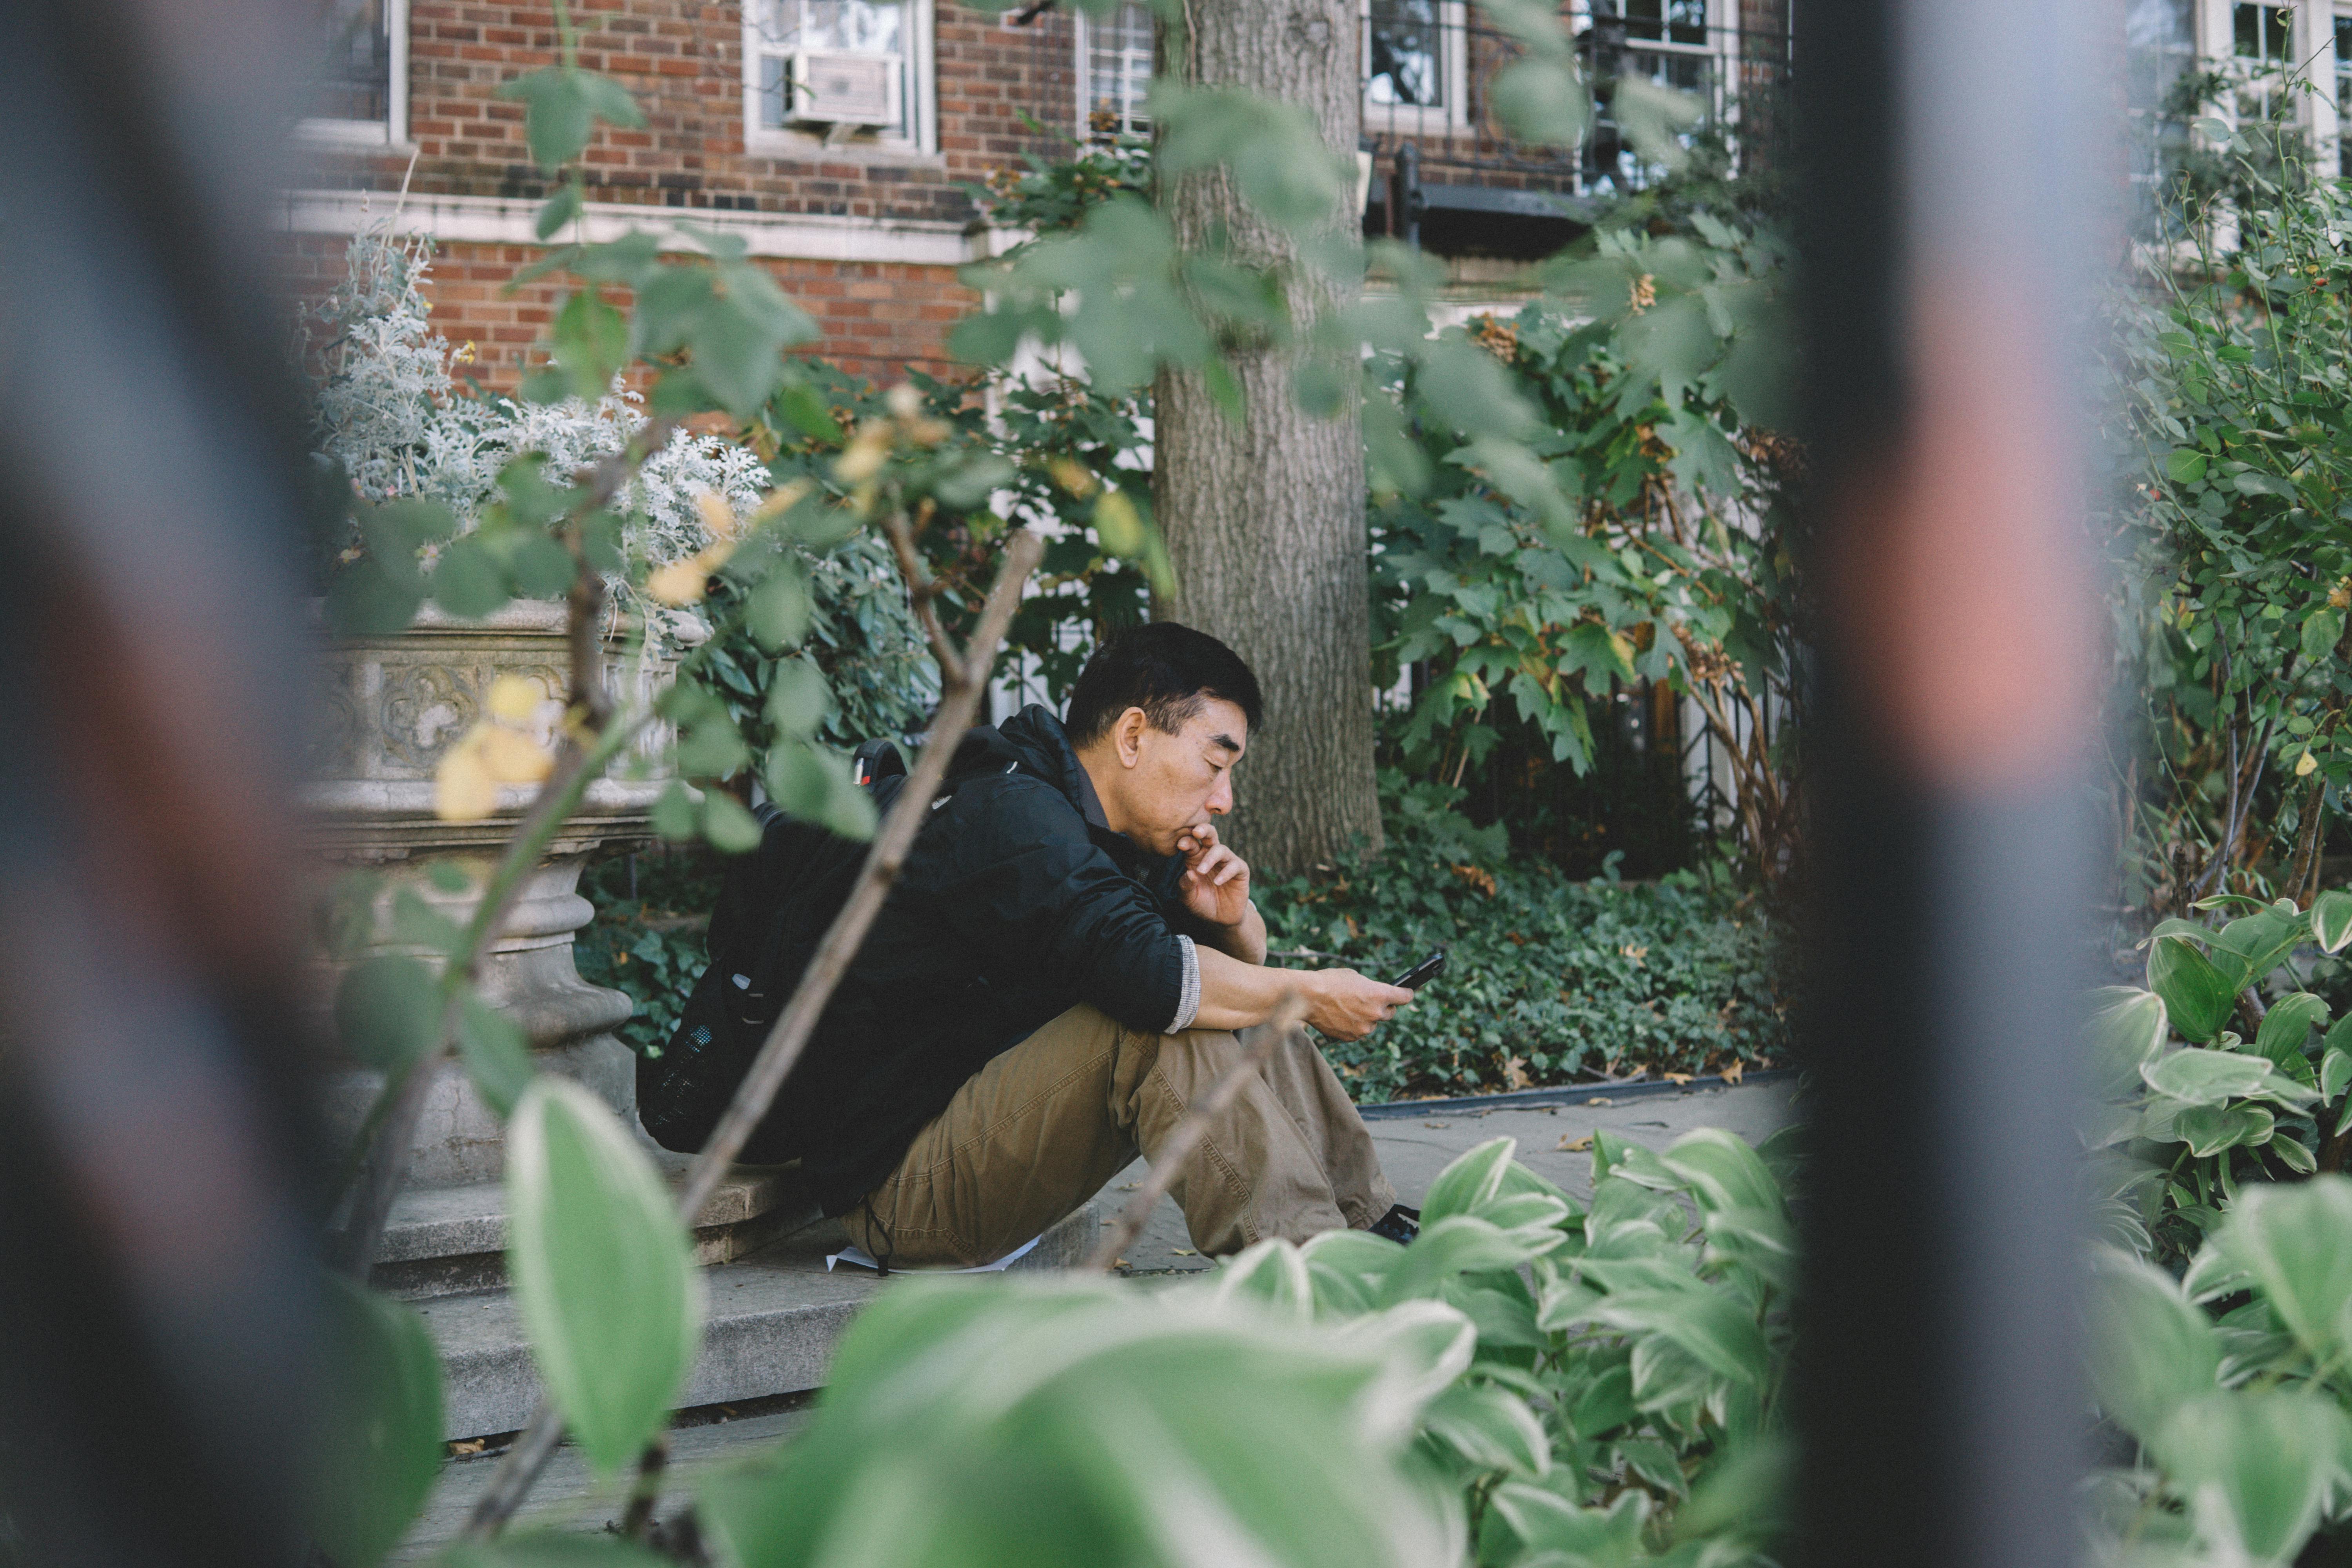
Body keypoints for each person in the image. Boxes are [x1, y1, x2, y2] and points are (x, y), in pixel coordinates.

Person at [760, 621, 1421, 1269]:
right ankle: (1310, 1273)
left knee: (1228, 1002)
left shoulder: (1113, 829)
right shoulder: (1017, 819)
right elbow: (1162, 986)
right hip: (904, 1192)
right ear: (1132, 734)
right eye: (1215, 764)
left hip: (979, 1127)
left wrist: (1230, 918)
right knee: (1153, 1028)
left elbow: (1223, 985)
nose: (1223, 799)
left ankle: (1364, 1220)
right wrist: (1310, 991)